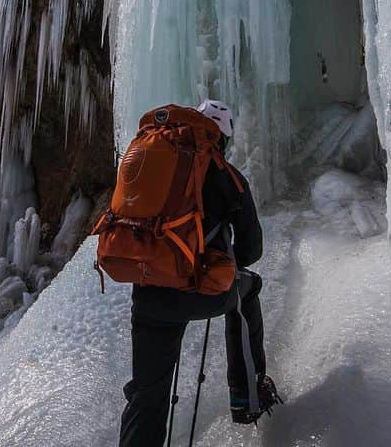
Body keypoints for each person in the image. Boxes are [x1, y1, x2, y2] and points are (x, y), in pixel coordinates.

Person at [118, 100, 281, 447]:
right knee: (248, 289)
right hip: (197, 291)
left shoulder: (153, 161)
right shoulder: (228, 176)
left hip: (147, 294)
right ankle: (245, 397)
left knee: (147, 397)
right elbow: (251, 252)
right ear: (221, 138)